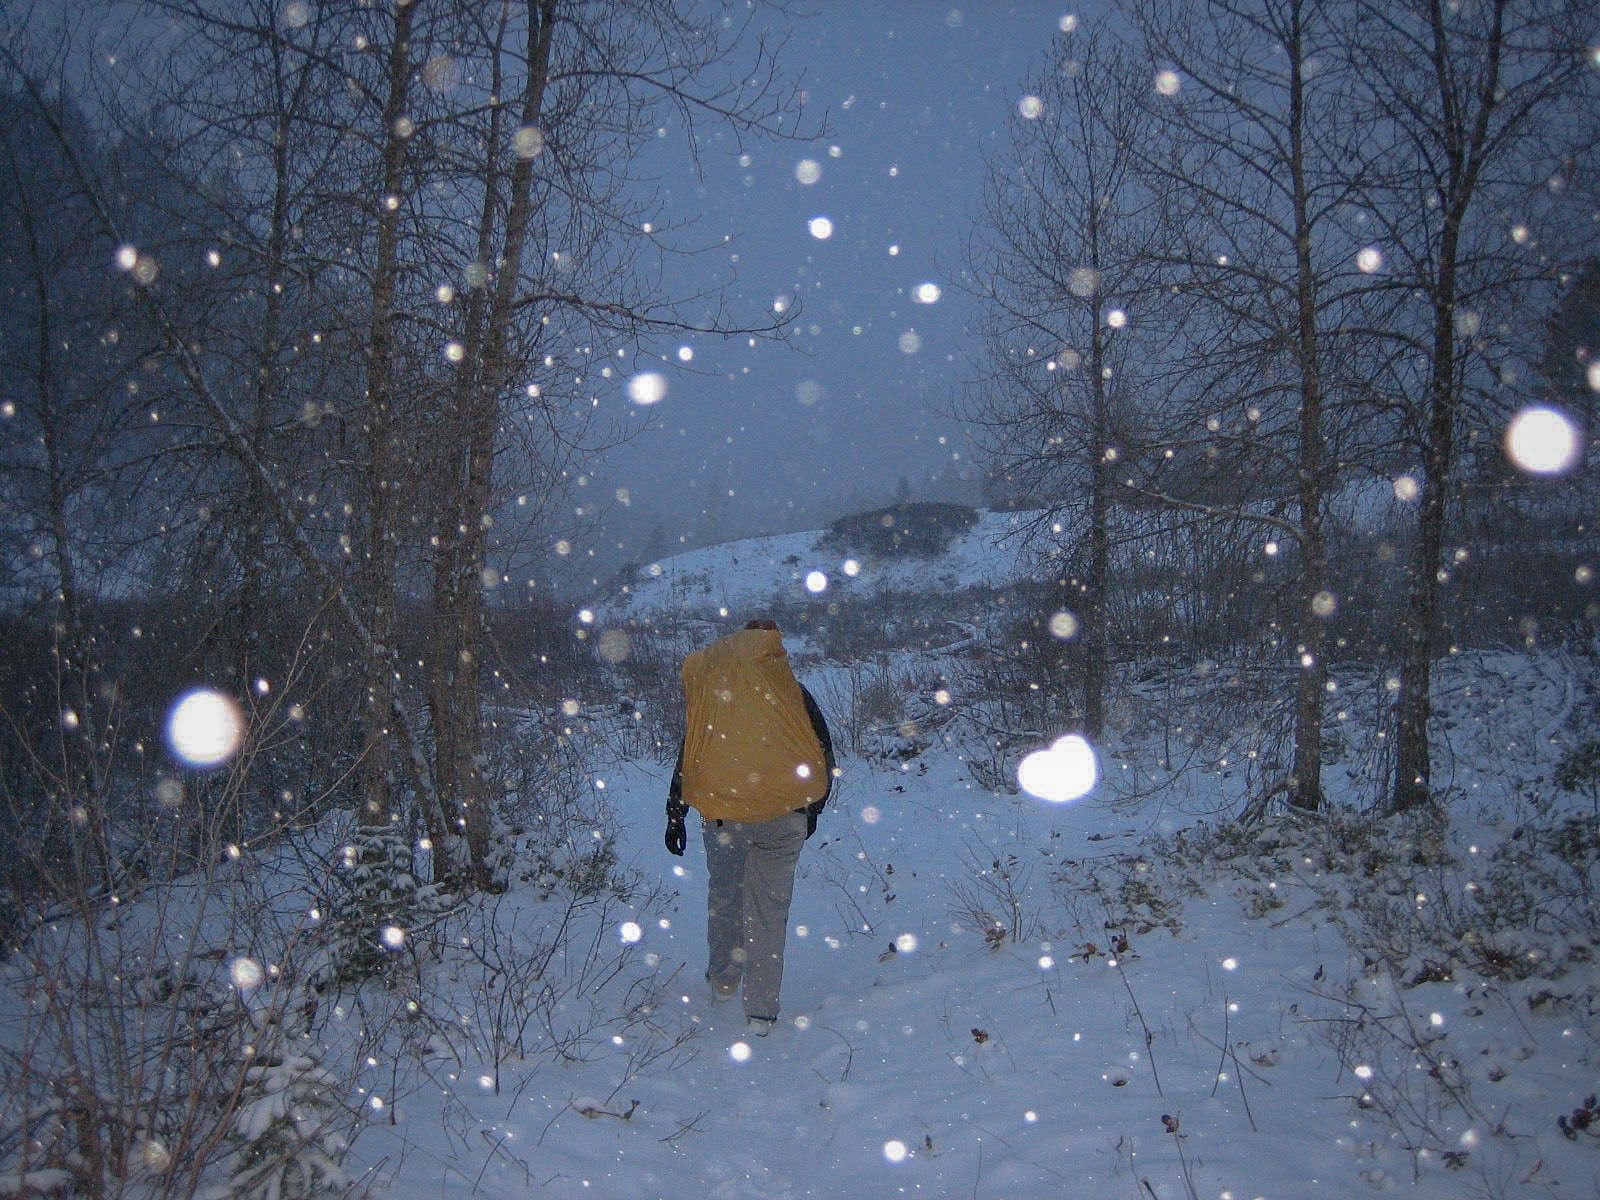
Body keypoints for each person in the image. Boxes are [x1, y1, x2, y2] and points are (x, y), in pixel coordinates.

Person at [664, 619, 835, 1034]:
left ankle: (724, 981)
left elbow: (693, 753)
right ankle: (761, 1012)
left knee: (725, 898)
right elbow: (822, 752)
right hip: (784, 817)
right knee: (768, 911)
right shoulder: (791, 691)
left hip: (726, 817)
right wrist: (810, 811)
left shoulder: (717, 694)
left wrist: (675, 811)